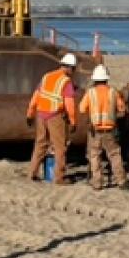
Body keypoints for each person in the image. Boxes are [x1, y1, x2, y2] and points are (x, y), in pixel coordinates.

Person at [25, 53, 78, 184]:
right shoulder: (66, 81)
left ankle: (32, 173)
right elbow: (69, 104)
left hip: (40, 114)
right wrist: (73, 121)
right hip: (55, 116)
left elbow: (36, 96)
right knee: (60, 147)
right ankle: (58, 177)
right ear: (70, 68)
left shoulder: (47, 76)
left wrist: (30, 114)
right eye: (74, 69)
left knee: (40, 144)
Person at [79, 65, 129, 191]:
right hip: (110, 130)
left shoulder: (90, 93)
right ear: (106, 79)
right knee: (114, 155)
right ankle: (122, 182)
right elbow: (123, 110)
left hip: (94, 131)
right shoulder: (113, 92)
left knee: (94, 156)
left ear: (95, 79)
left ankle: (97, 183)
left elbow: (81, 108)